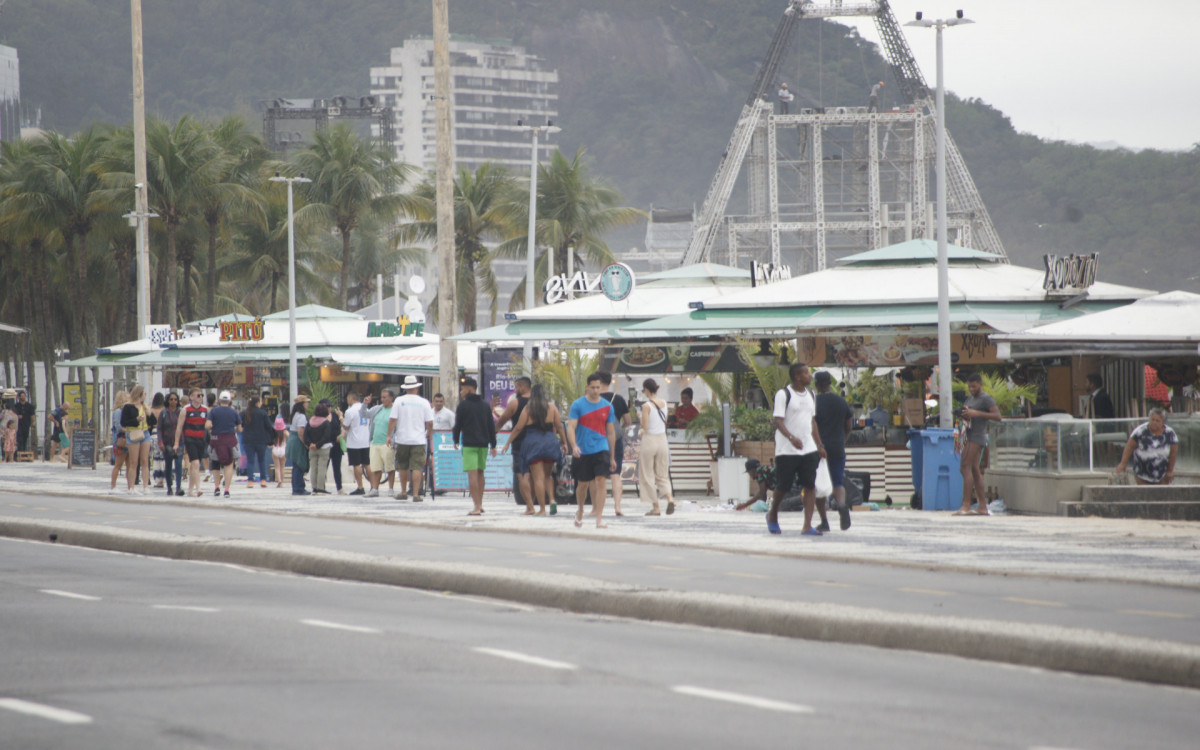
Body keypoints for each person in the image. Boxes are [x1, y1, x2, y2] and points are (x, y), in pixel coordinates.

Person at [767, 363, 827, 536]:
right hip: (787, 449)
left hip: (808, 449)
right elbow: (778, 421)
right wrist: (791, 438)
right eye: (807, 373)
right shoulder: (783, 394)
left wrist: (819, 445)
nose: (810, 376)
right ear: (798, 376)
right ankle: (772, 515)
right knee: (783, 487)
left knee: (810, 485)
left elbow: (812, 421)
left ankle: (807, 525)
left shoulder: (811, 395)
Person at [504, 384, 567, 516]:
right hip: (550, 442)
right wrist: (565, 443)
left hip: (534, 444)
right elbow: (559, 427)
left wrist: (508, 443)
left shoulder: (528, 408)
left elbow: (518, 428)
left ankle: (542, 509)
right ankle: (552, 499)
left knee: (538, 478)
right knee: (548, 476)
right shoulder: (552, 407)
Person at [566, 372, 618, 529]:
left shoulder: (608, 406)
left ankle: (599, 518)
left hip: (601, 448)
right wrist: (574, 445)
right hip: (583, 449)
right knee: (582, 485)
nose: (596, 390)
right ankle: (580, 509)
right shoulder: (577, 405)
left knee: (601, 481)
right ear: (587, 387)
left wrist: (612, 457)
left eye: (598, 387)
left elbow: (611, 432)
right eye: (593, 387)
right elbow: (571, 427)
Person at [955, 373, 1002, 516]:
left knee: (965, 467)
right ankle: (982, 506)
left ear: (980, 384)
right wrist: (958, 436)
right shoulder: (970, 398)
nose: (971, 389)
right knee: (975, 470)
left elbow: (997, 417)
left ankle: (966, 505)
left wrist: (977, 413)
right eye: (969, 386)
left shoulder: (986, 399)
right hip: (967, 435)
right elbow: (967, 416)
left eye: (974, 386)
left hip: (976, 437)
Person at [814, 370, 854, 531]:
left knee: (819, 485)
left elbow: (810, 426)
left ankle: (824, 521)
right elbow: (849, 425)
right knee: (837, 481)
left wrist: (818, 445)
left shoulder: (814, 403)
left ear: (816, 385)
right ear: (830, 384)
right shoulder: (841, 402)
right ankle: (842, 505)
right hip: (838, 447)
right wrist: (842, 440)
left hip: (819, 449)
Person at [453, 377, 497, 516]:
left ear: (470, 389)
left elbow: (457, 424)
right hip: (483, 445)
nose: (461, 391)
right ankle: (480, 503)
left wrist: (455, 440)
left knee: (472, 475)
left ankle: (476, 506)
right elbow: (491, 426)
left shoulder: (463, 405)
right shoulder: (485, 405)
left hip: (470, 444)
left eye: (462, 388)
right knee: (480, 473)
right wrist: (493, 444)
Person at [388, 375, 433, 501]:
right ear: (417, 388)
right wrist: (428, 432)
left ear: (406, 388)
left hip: (402, 439)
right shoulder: (424, 402)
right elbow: (430, 422)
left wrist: (388, 435)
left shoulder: (398, 401)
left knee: (403, 466)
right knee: (417, 467)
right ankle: (415, 494)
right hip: (419, 439)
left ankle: (403, 492)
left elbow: (392, 420)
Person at [637, 378, 675, 516]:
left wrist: (640, 417)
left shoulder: (646, 406)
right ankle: (670, 499)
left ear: (646, 389)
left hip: (650, 440)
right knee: (662, 474)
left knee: (647, 474)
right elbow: (664, 421)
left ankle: (656, 508)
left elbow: (645, 426)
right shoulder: (664, 403)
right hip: (662, 440)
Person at [597, 372, 632, 516]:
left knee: (598, 476)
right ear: (610, 382)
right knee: (615, 473)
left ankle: (598, 507)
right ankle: (617, 506)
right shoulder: (618, 399)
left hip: (597, 439)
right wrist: (619, 429)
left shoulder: (593, 399)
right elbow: (628, 421)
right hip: (615, 439)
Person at [1115, 408, 1178, 485]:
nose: (1154, 422)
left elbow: (1173, 454)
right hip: (1142, 474)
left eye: (1157, 421)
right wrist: (1123, 464)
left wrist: (1170, 471)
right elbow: (1129, 447)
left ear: (1163, 422)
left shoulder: (1170, 434)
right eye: (1152, 420)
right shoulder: (1140, 431)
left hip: (1162, 475)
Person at [496, 377, 533, 507]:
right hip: (538, 442)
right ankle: (543, 501)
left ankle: (528, 504)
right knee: (538, 475)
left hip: (520, 442)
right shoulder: (542, 403)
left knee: (522, 475)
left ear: (522, 387)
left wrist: (494, 432)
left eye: (517, 387)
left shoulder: (515, 403)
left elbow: (503, 419)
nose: (516, 390)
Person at [173, 388, 210, 497]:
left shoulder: (205, 410)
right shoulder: (186, 410)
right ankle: (198, 488)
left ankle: (190, 490)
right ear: (192, 397)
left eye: (201, 395)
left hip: (201, 439)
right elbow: (179, 427)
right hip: (190, 439)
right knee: (196, 463)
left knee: (194, 467)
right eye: (198, 395)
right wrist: (176, 443)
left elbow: (209, 424)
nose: (200, 397)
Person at [207, 390, 243, 498]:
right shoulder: (234, 412)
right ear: (230, 401)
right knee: (229, 464)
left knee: (215, 464)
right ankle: (227, 490)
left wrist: (214, 427)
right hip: (229, 440)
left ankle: (217, 487)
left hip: (216, 439)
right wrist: (233, 428)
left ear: (219, 400)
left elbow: (207, 425)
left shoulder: (213, 411)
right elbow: (240, 429)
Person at [121, 385, 155, 494]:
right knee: (133, 461)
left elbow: (153, 421)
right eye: (144, 393)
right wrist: (136, 419)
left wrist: (150, 413)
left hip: (145, 432)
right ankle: (131, 487)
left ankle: (146, 485)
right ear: (139, 394)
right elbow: (124, 422)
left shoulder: (145, 406)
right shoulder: (128, 406)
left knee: (145, 460)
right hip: (133, 432)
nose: (145, 396)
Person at [342, 392, 374, 495]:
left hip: (354, 442)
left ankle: (360, 487)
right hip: (365, 440)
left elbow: (346, 426)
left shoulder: (350, 411)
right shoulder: (366, 409)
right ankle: (373, 486)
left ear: (351, 398)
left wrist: (340, 418)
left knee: (356, 464)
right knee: (367, 464)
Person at [366, 390, 395, 498]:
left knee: (390, 467)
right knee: (376, 468)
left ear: (391, 398)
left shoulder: (394, 410)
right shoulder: (377, 409)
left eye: (385, 397)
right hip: (375, 442)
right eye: (382, 397)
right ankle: (375, 489)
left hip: (387, 443)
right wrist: (365, 404)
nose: (383, 400)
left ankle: (391, 489)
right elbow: (365, 414)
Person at [241, 396, 274, 488]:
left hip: (248, 440)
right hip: (261, 440)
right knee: (262, 460)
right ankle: (263, 480)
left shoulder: (245, 413)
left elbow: (240, 424)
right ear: (257, 403)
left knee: (250, 461)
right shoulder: (263, 413)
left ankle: (250, 481)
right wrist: (271, 440)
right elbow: (269, 427)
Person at [304, 402, 335, 494]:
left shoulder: (310, 422)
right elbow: (326, 437)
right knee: (322, 468)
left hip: (312, 449)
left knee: (313, 468)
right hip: (324, 448)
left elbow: (306, 435)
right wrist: (318, 445)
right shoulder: (325, 423)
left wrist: (311, 444)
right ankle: (320, 487)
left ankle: (314, 487)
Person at [157, 392, 185, 496]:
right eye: (171, 399)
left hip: (179, 442)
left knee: (178, 464)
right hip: (167, 443)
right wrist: (160, 442)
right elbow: (159, 428)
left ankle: (178, 487)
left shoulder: (181, 412)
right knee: (168, 465)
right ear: (168, 401)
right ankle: (169, 487)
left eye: (175, 399)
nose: (173, 401)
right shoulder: (163, 413)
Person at [285, 395, 311, 495]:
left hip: (293, 439)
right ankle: (299, 488)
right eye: (306, 402)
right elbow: (301, 431)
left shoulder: (294, 415)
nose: (307, 404)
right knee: (299, 465)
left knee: (296, 465)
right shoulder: (301, 416)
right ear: (302, 404)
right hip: (298, 441)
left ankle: (297, 487)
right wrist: (305, 443)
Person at [320, 398, 345, 494]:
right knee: (324, 467)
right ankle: (321, 487)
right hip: (325, 444)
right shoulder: (320, 417)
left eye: (330, 406)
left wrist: (341, 435)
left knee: (337, 467)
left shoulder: (335, 416)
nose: (329, 408)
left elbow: (343, 427)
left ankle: (339, 487)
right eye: (327, 406)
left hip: (336, 444)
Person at [108, 391, 131, 494]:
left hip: (129, 440)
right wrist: (129, 430)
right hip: (121, 440)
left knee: (130, 465)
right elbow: (118, 427)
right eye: (127, 397)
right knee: (118, 464)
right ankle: (113, 486)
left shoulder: (127, 410)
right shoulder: (118, 411)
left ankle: (130, 487)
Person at [150, 392, 166, 488]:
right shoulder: (164, 411)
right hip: (162, 433)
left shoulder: (151, 410)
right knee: (163, 457)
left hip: (153, 433)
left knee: (156, 458)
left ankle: (158, 479)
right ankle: (165, 477)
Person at [272, 414, 288, 489]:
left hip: (275, 449)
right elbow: (290, 436)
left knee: (277, 467)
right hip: (283, 448)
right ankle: (282, 482)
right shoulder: (285, 433)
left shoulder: (274, 433)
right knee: (282, 467)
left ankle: (279, 481)